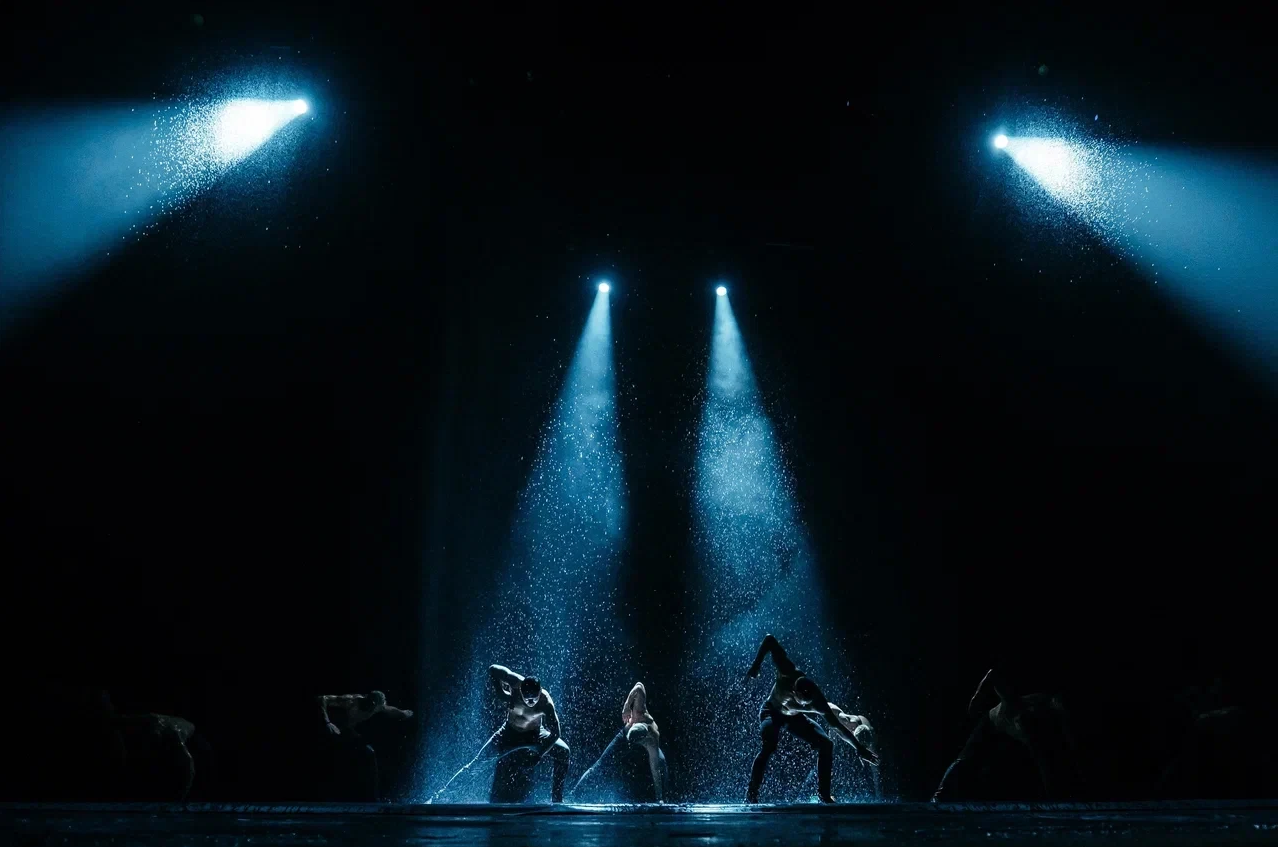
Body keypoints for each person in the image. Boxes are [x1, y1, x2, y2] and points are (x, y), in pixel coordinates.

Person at [745, 633, 879, 804]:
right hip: (772, 711)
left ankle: (824, 794)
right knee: (769, 746)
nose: (804, 704)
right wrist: (756, 665)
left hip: (794, 718)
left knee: (826, 744)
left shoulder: (817, 701)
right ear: (795, 691)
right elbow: (769, 639)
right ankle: (752, 794)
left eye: (807, 703)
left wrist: (858, 747)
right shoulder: (787, 670)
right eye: (801, 701)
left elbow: (837, 727)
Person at [431, 665, 570, 803]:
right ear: (520, 689)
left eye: (534, 698)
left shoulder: (546, 703)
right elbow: (493, 669)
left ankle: (557, 800)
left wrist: (539, 754)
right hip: (508, 733)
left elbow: (556, 733)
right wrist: (501, 693)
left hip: (535, 734)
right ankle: (438, 798)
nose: (530, 702)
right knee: (476, 764)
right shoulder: (515, 682)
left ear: (539, 692)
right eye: (526, 698)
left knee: (564, 751)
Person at [317, 690, 414, 800]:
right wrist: (327, 722)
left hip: (345, 731)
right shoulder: (351, 701)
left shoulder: (377, 706)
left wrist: (404, 713)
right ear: (369, 701)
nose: (371, 708)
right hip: (332, 727)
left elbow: (390, 710)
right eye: (370, 704)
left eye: (375, 706)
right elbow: (322, 698)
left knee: (369, 753)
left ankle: (373, 797)